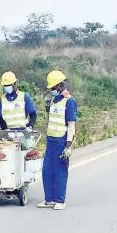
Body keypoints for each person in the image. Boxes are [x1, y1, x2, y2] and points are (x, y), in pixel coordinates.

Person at [37, 70, 78, 211]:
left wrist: (68, 145)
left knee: (60, 171)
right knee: (47, 170)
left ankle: (60, 200)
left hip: (62, 141)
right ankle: (49, 199)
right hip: (51, 140)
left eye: (54, 87)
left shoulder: (70, 101)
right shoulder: (53, 100)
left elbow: (71, 124)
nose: (52, 90)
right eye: (51, 88)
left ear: (61, 85)